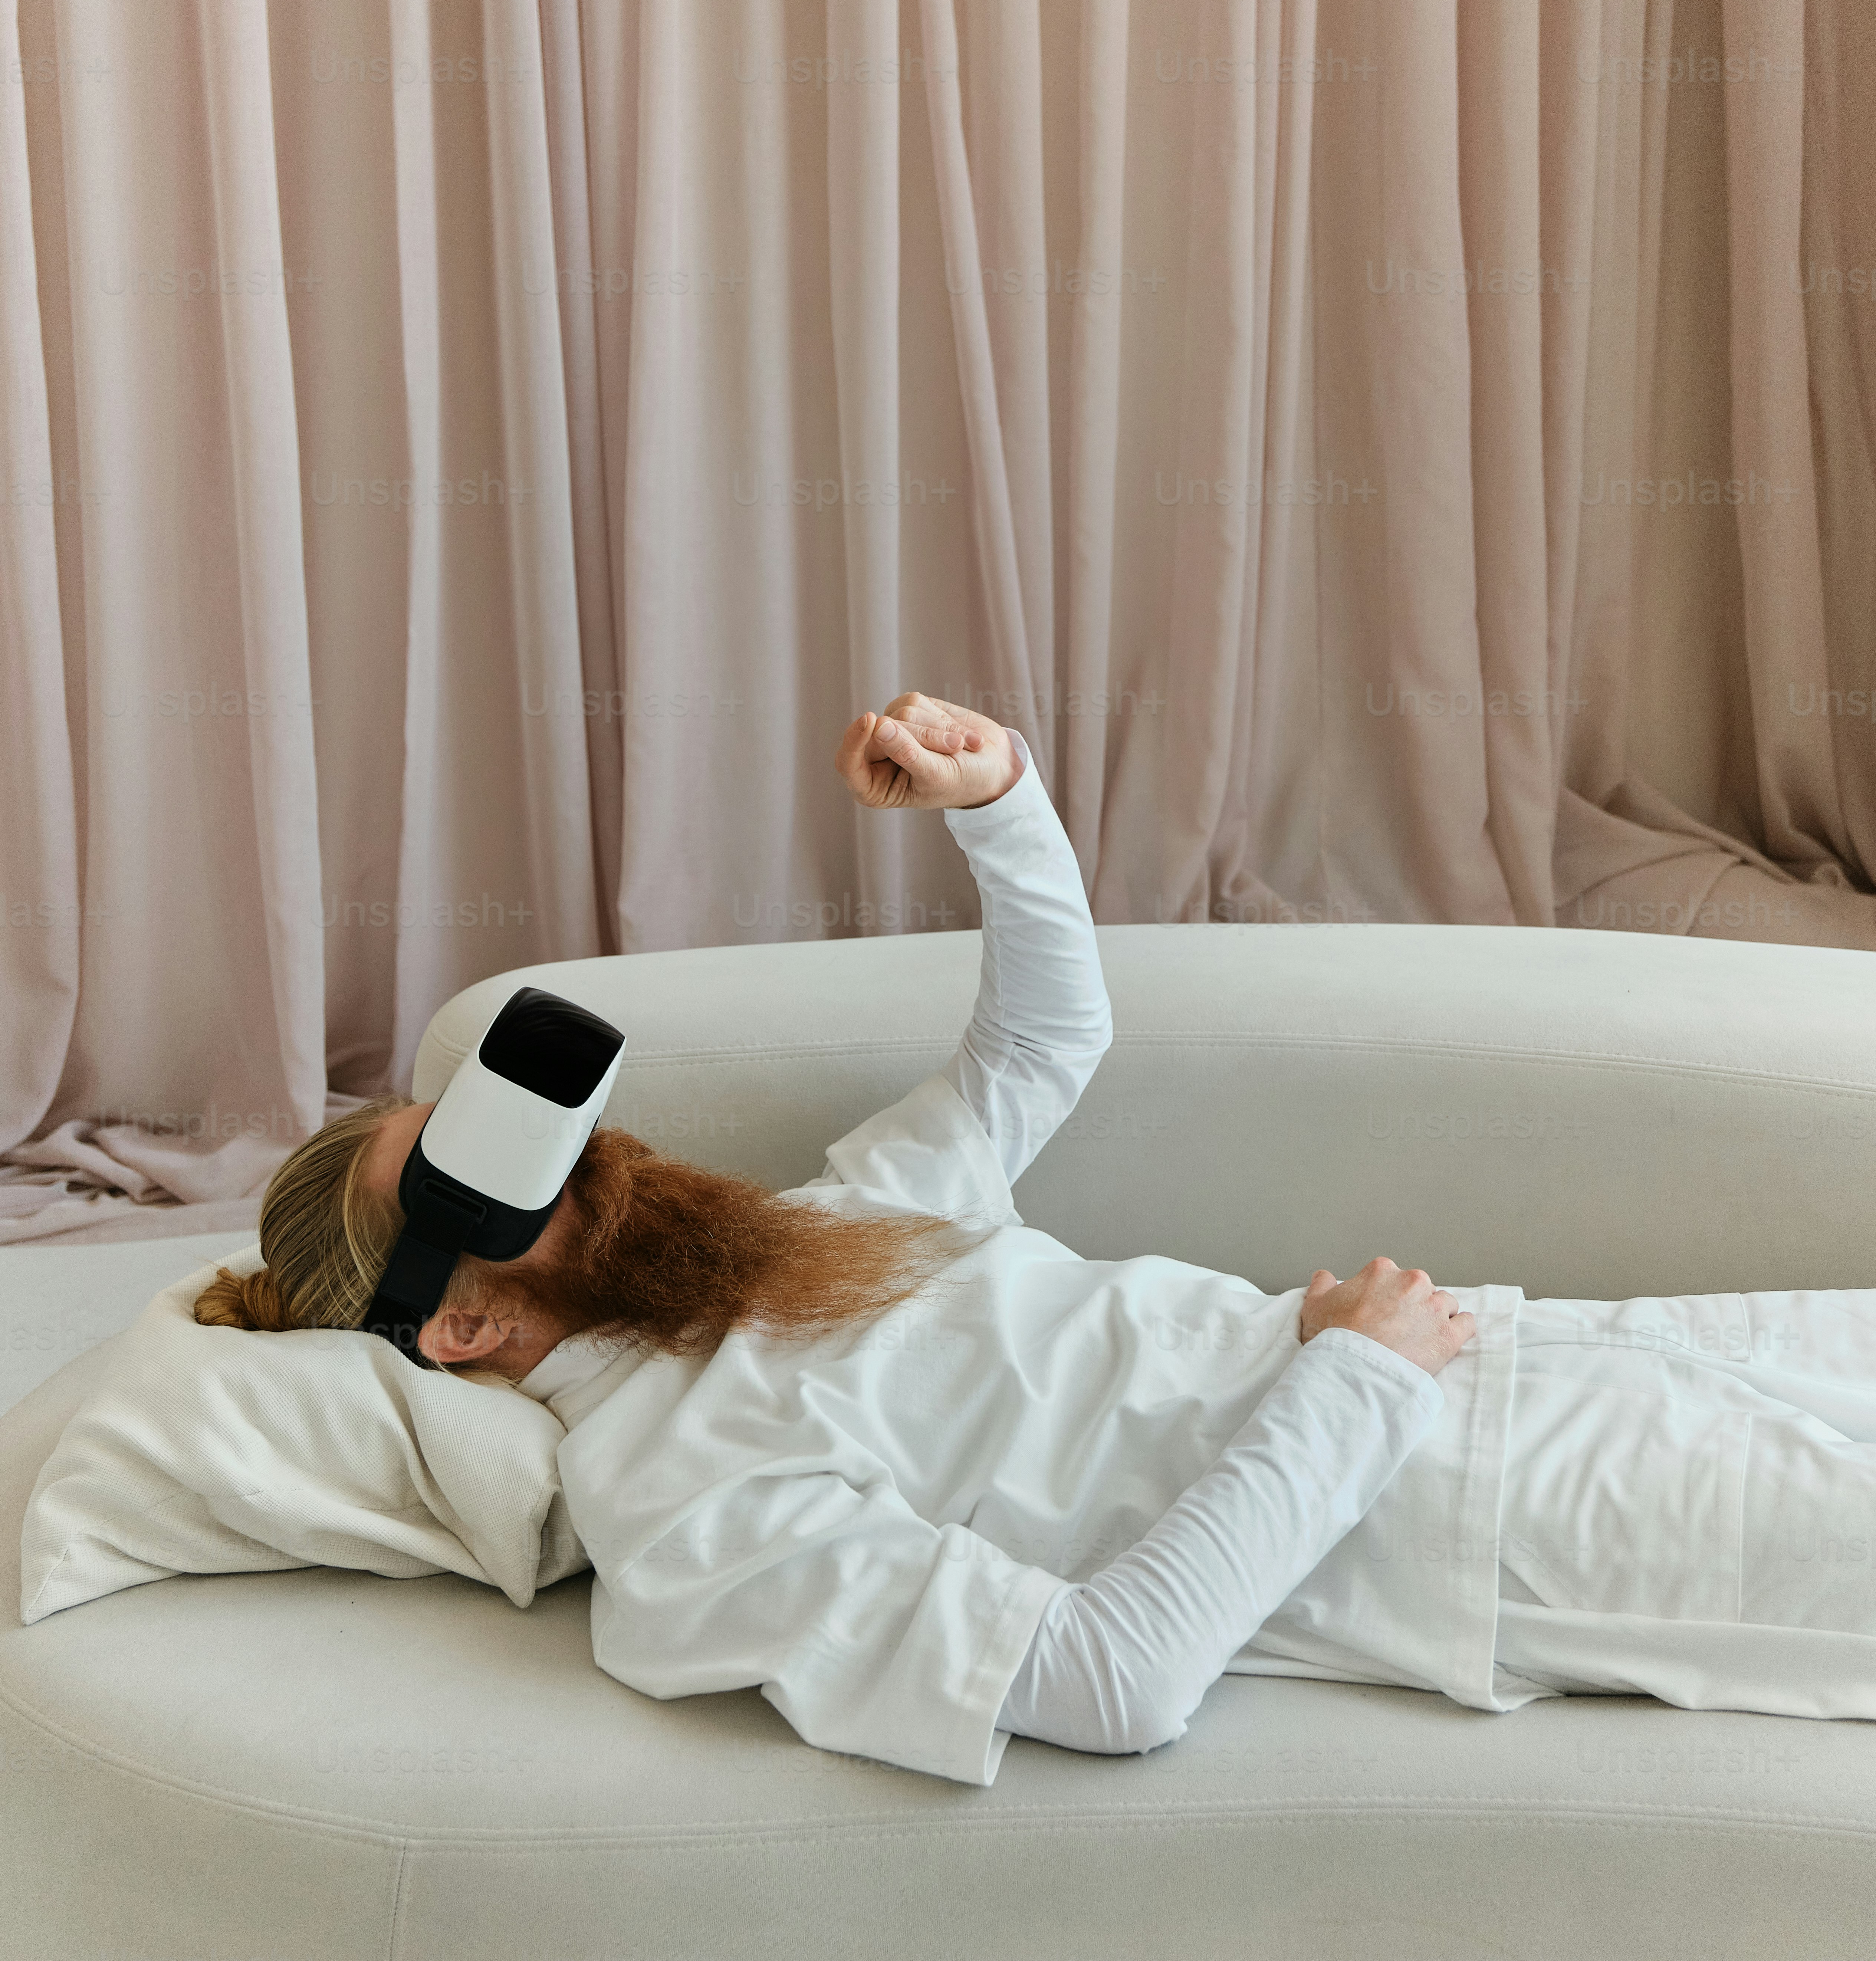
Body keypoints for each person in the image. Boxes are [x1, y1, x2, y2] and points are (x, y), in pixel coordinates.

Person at [198, 694, 1876, 1785]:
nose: (578, 1158)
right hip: (1481, 1505)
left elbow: (1036, 1048)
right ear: (462, 1328)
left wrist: (996, 806)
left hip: (1536, 1346)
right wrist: (1352, 1384)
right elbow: (1110, 1676)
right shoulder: (688, 1522)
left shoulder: (799, 1237)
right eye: (495, 1179)